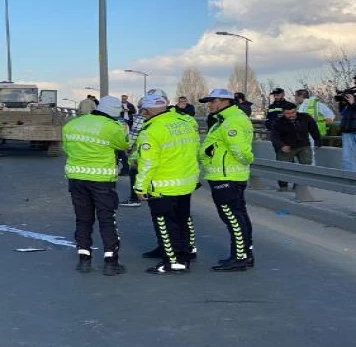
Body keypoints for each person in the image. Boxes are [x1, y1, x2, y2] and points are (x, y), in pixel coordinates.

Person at [134, 94, 200, 274]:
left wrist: (140, 187)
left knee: (165, 224)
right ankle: (184, 254)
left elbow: (148, 163)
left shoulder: (152, 130)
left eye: (143, 111)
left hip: (163, 185)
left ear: (147, 111)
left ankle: (174, 261)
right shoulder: (184, 122)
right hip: (185, 182)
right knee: (182, 221)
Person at [62, 96, 129, 276]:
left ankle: (84, 260)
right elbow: (124, 145)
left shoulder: (72, 124)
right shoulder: (112, 127)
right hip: (101, 180)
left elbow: (66, 149)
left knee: (83, 219)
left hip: (76, 177)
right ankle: (111, 262)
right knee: (107, 219)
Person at [198, 89, 255, 272]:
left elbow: (240, 149)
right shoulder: (225, 118)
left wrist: (246, 160)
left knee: (232, 217)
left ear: (225, 101)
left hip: (226, 176)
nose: (210, 105)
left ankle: (239, 258)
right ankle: (245, 255)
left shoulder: (231, 121)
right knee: (239, 215)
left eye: (213, 101)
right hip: (227, 175)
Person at [270, 102, 321, 191]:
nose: (291, 115)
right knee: (284, 167)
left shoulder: (305, 118)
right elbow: (274, 136)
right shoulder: (278, 122)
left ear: (296, 111)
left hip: (303, 145)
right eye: (288, 113)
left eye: (293, 112)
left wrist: (318, 141)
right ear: (283, 113)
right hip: (286, 147)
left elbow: (314, 130)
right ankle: (283, 185)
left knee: (305, 165)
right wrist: (281, 146)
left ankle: (299, 185)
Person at [339, 88, 356, 171]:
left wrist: (353, 103)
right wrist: (343, 102)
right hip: (348, 131)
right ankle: (350, 182)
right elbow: (342, 112)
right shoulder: (352, 96)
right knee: (347, 159)